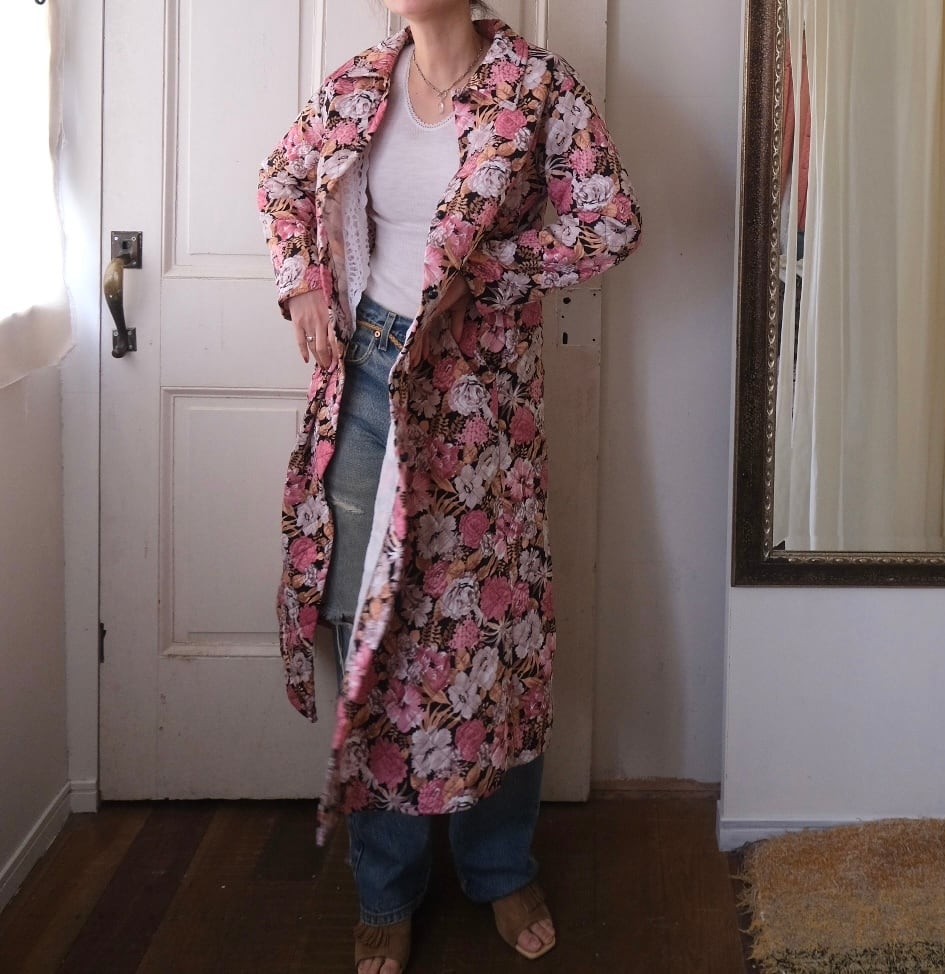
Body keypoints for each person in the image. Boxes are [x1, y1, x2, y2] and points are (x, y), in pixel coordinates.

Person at [258, 2, 641, 971]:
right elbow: (282, 178)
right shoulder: (357, 84)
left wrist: (488, 270)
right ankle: (385, 887)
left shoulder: (535, 87)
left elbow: (608, 222)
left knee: (488, 635)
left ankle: (499, 868)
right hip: (361, 380)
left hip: (476, 395)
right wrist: (300, 278)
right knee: (366, 629)